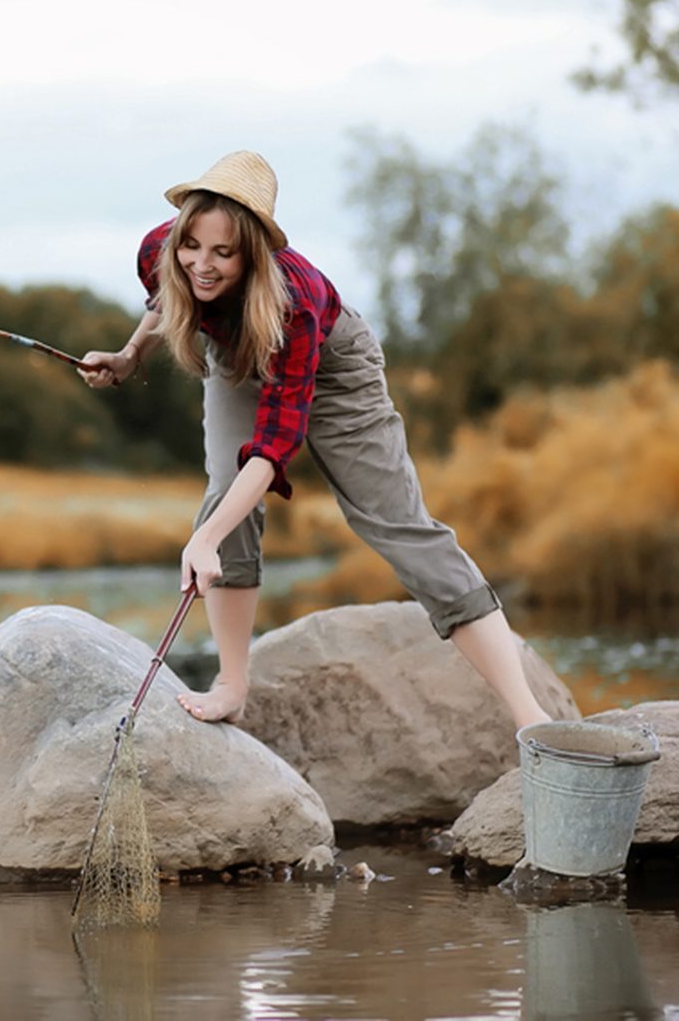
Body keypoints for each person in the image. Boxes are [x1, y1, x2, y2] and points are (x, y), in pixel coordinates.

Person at [79, 151, 551, 731]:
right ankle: (232, 683)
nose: (201, 264)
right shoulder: (160, 248)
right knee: (226, 492)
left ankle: (530, 718)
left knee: (396, 523)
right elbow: (168, 298)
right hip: (237, 358)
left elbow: (274, 447)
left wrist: (203, 539)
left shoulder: (293, 302)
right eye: (193, 247)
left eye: (223, 254)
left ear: (252, 253)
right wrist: (130, 356)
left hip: (333, 367)